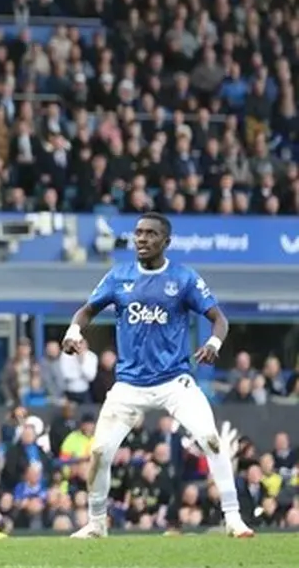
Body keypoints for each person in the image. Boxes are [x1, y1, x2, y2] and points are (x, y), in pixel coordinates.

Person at [61, 212, 253, 539]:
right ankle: (96, 523)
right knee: (99, 452)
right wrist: (73, 331)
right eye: (138, 233)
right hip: (129, 385)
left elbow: (218, 318)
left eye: (150, 234)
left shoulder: (184, 278)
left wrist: (213, 342)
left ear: (166, 241)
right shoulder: (119, 276)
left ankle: (233, 518)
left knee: (210, 439)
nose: (142, 239)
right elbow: (87, 310)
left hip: (174, 381)